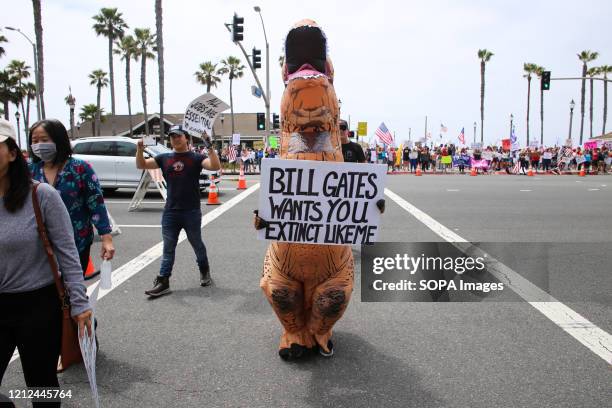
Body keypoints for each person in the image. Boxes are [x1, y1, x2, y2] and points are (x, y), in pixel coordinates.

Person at [0, 119, 92, 403]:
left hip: (38, 306)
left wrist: (80, 303)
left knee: (42, 389)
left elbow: (67, 253)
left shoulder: (41, 195)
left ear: (13, 153)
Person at [137, 125, 221, 297]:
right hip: (171, 212)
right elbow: (142, 164)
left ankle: (205, 272)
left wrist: (209, 146)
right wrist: (139, 150)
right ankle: (163, 281)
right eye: (172, 136)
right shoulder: (163, 158)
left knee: (196, 243)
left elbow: (214, 166)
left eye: (178, 136)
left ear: (186, 138)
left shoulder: (196, 158)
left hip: (191, 211)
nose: (175, 139)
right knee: (168, 247)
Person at [29, 119, 115, 276]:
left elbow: (96, 204)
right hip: (39, 245)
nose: (39, 145)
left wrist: (106, 238)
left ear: (59, 140)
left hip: (76, 242)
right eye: (35, 141)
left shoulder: (80, 168)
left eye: (45, 140)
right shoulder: (29, 172)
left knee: (72, 289)